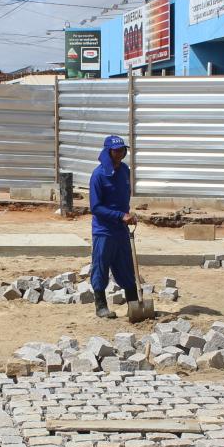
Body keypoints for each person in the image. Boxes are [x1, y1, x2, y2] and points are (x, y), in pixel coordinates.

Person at [88, 134, 139, 319]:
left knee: (126, 266)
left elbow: (126, 196)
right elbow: (95, 207)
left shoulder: (125, 170)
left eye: (122, 150)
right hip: (104, 231)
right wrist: (119, 215)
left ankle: (134, 304)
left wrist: (129, 215)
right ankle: (101, 306)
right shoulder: (98, 175)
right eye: (116, 151)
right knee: (101, 267)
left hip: (121, 230)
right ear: (108, 151)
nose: (120, 154)